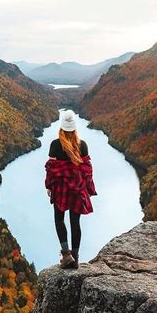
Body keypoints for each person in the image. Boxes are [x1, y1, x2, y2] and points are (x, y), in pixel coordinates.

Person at [45, 109, 97, 269]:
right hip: (77, 189)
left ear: (61, 128)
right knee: (75, 222)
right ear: (74, 128)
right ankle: (75, 258)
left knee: (59, 220)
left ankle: (66, 255)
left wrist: (49, 187)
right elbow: (87, 169)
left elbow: (51, 169)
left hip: (61, 188)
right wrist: (87, 188)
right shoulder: (83, 145)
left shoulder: (55, 144)